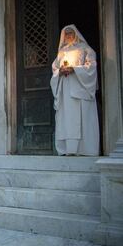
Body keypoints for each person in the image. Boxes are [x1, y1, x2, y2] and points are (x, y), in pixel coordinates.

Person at [50, 24, 99, 156]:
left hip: (80, 89)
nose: (68, 36)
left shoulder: (85, 49)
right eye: (66, 34)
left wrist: (75, 69)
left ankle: (84, 149)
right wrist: (60, 71)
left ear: (76, 34)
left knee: (81, 118)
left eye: (71, 33)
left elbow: (92, 65)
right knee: (67, 118)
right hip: (65, 90)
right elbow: (54, 68)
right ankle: (68, 149)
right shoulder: (61, 53)